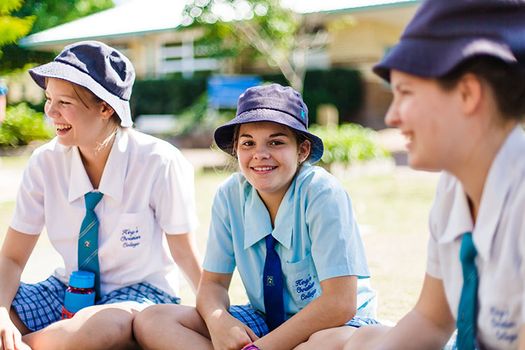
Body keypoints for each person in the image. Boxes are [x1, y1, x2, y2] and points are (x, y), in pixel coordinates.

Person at [133, 83, 378, 350]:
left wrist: (260, 348)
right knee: (154, 319)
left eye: (276, 142)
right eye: (248, 143)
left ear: (302, 150)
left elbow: (339, 303)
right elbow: (213, 285)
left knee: (330, 343)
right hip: (266, 319)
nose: (260, 154)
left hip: (331, 323)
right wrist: (220, 323)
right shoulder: (230, 196)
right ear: (236, 150)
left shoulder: (321, 193)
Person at [343, 1, 525, 350]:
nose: (392, 117)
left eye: (405, 93)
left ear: (468, 93)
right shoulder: (453, 188)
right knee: (357, 339)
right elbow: (432, 319)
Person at [0, 41, 201, 350]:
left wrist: (215, 316)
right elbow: (12, 258)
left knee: (104, 325)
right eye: (48, 99)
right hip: (67, 288)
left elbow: (185, 254)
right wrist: (1, 313)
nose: (50, 112)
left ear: (106, 107)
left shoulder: (159, 162)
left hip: (138, 295)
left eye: (64, 102)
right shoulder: (45, 162)